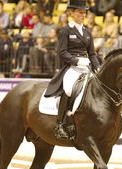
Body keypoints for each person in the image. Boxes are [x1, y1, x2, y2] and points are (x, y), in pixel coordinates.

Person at [45, 0, 100, 140]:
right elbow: (62, 52)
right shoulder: (65, 30)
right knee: (69, 89)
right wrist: (77, 60)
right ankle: (60, 124)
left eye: (84, 12)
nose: (83, 14)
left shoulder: (87, 32)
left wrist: (97, 67)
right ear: (72, 13)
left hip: (86, 67)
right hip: (72, 67)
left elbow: (92, 53)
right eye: (80, 12)